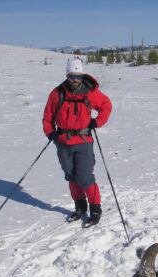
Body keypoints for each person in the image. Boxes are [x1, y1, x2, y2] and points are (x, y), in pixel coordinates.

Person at [42, 59, 112, 226]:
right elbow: (48, 116)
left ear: (82, 76)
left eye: (78, 76)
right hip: (63, 141)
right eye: (72, 76)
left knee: (85, 177)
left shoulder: (90, 92)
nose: (75, 79)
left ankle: (95, 209)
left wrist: (97, 122)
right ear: (67, 75)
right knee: (71, 176)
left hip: (83, 141)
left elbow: (106, 105)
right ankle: (80, 207)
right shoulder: (57, 93)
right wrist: (50, 133)